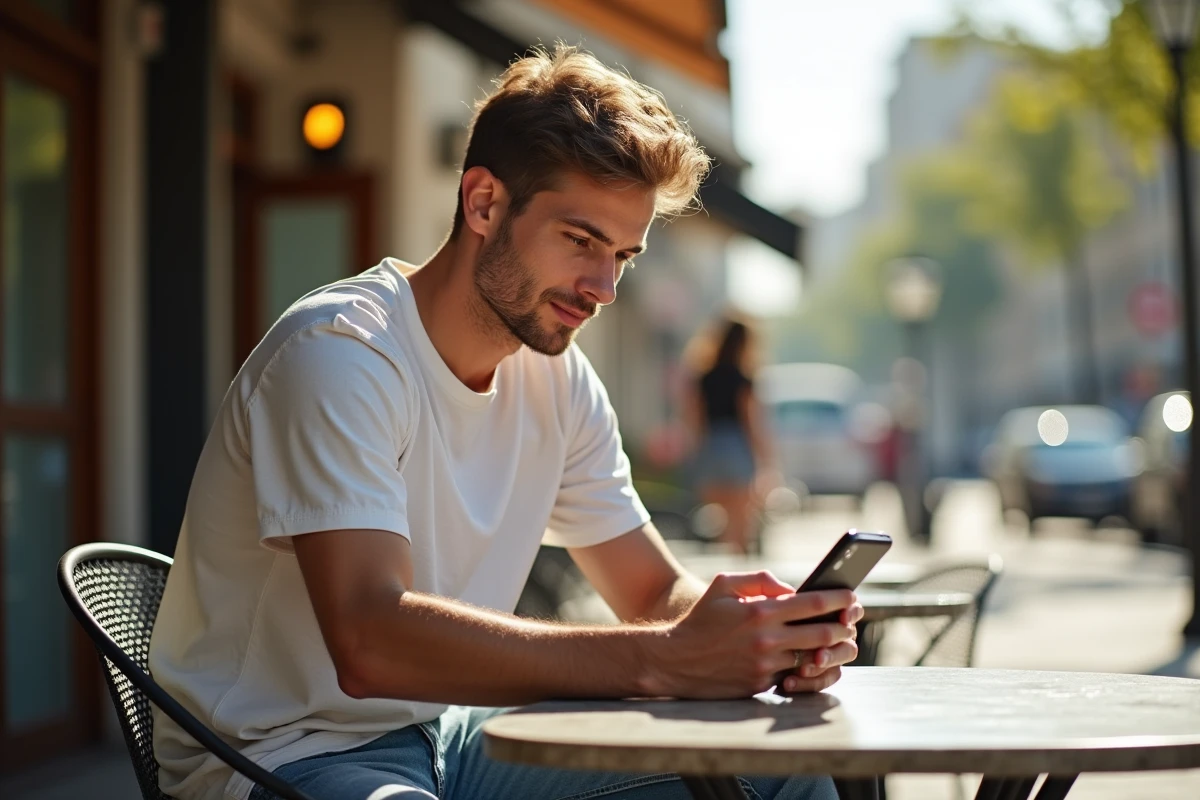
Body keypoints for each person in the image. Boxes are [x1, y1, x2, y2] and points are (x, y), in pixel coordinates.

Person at [149, 45, 861, 800]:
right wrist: (664, 659)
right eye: (581, 242)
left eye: (622, 254)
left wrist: (753, 634)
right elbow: (367, 640)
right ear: (484, 203)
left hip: (449, 736)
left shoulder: (558, 379)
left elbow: (652, 593)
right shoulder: (341, 354)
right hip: (281, 755)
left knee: (784, 774)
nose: (604, 288)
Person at [685, 317, 778, 554]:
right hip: (736, 446)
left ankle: (725, 571)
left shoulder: (704, 377)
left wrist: (697, 453)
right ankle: (741, 575)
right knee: (741, 522)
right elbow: (751, 421)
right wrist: (766, 459)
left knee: (719, 521)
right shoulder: (743, 379)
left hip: (711, 447)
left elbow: (694, 419)